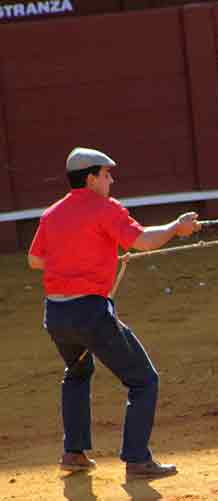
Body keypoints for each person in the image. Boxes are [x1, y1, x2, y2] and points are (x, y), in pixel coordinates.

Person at [28, 147, 201, 478]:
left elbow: (35, 260)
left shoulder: (51, 214)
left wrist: (78, 262)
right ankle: (137, 459)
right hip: (89, 313)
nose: (111, 179)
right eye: (106, 174)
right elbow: (144, 241)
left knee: (76, 373)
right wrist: (176, 228)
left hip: (57, 315)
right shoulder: (105, 209)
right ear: (91, 178)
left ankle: (74, 452)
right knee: (143, 380)